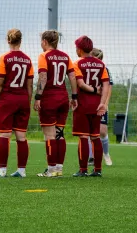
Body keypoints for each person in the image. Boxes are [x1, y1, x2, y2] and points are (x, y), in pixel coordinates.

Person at [33, 30, 78, 178]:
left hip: (49, 98)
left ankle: (51, 169)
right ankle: (58, 168)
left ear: (45, 41)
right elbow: (72, 76)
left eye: (41, 41)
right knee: (59, 133)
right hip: (63, 98)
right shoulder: (65, 56)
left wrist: (38, 96)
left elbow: (43, 76)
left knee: (50, 135)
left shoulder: (44, 56)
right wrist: (74, 96)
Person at [0, 29, 34, 178]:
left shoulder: (4, 58)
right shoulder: (28, 59)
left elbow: (0, 83)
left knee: (5, 135)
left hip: (7, 99)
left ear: (8, 40)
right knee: (21, 137)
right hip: (22, 99)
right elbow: (30, 85)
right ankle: (22, 170)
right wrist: (27, 102)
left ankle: (2, 171)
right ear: (20, 41)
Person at [72, 36, 110, 177]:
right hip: (96, 105)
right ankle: (98, 170)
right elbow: (106, 84)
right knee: (95, 136)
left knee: (83, 137)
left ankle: (83, 170)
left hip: (82, 104)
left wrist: (93, 90)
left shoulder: (77, 63)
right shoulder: (101, 65)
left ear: (79, 49)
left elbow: (81, 84)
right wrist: (103, 102)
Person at [87, 48, 114, 166]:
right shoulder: (86, 68)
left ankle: (106, 153)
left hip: (101, 103)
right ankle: (91, 158)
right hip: (89, 103)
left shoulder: (105, 70)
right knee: (88, 131)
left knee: (102, 130)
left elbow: (109, 89)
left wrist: (105, 104)